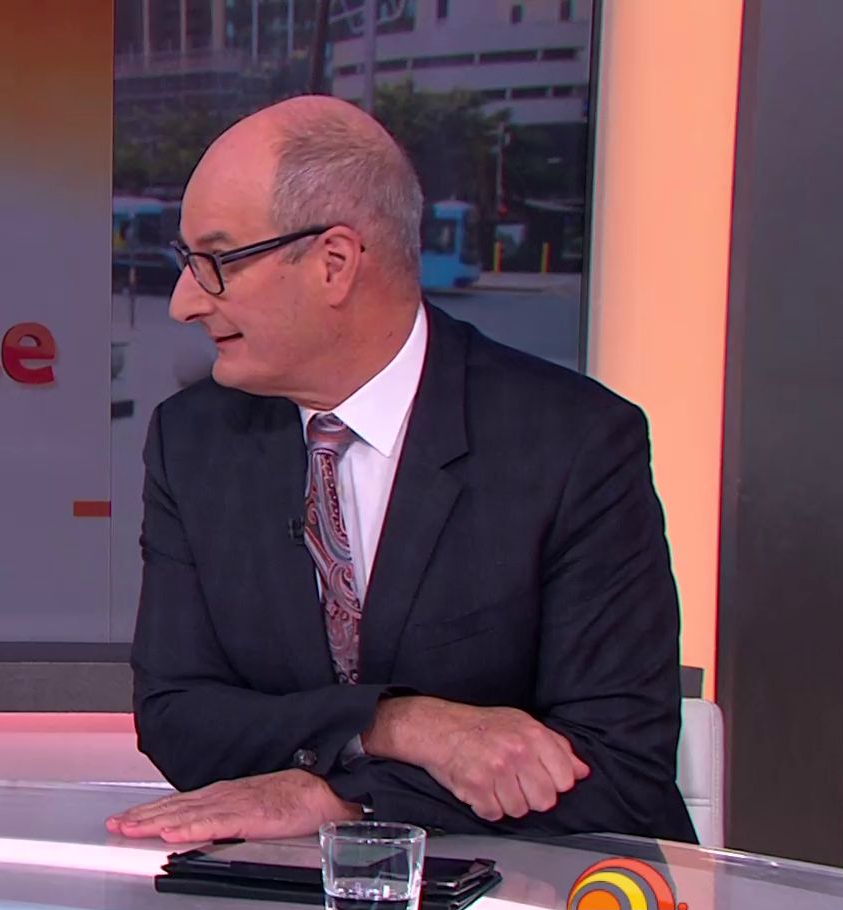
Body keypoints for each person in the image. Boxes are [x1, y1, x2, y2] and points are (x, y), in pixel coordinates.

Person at [106, 97, 695, 845]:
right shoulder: (193, 442)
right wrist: (398, 724)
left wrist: (343, 800)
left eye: (216, 262)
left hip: (538, 899)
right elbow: (178, 716)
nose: (183, 303)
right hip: (276, 900)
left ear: (334, 263)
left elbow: (620, 773)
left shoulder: (574, 444)